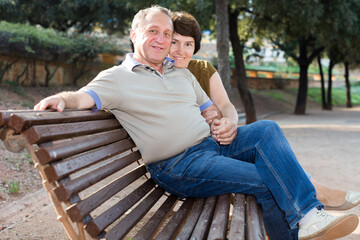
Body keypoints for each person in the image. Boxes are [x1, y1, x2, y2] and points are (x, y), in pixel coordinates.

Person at [34, 6, 359, 240]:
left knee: (266, 130)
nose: (162, 40)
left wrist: (225, 124)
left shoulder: (181, 73)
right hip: (178, 165)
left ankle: (309, 216)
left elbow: (212, 110)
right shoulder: (117, 78)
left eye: (167, 34)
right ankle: (304, 219)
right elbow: (82, 96)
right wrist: (63, 99)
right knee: (264, 179)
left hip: (211, 147)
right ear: (134, 34)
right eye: (153, 32)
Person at [169, 11, 360, 212]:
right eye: (174, 42)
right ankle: (313, 201)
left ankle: (313, 199)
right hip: (197, 156)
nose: (181, 50)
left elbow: (226, 106)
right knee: (267, 167)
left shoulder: (202, 68)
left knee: (267, 133)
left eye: (188, 44)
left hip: (219, 143)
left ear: (195, 46)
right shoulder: (159, 75)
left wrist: (230, 122)